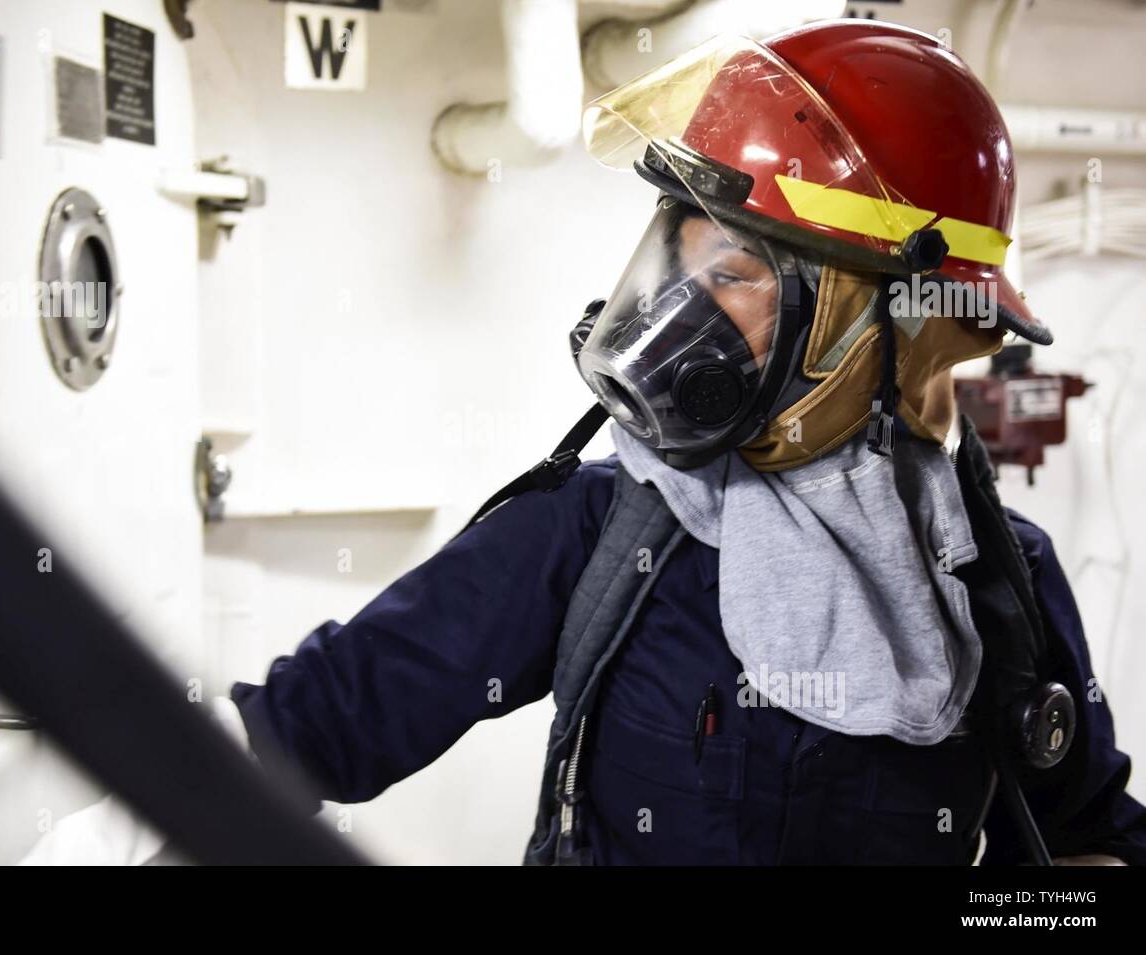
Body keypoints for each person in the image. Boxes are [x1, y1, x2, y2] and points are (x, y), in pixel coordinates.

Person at [230, 20, 1146, 865]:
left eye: (735, 274)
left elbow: (1083, 847)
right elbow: (309, 732)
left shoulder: (998, 583)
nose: (679, 310)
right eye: (681, 262)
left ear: (884, 324)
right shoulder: (602, 526)